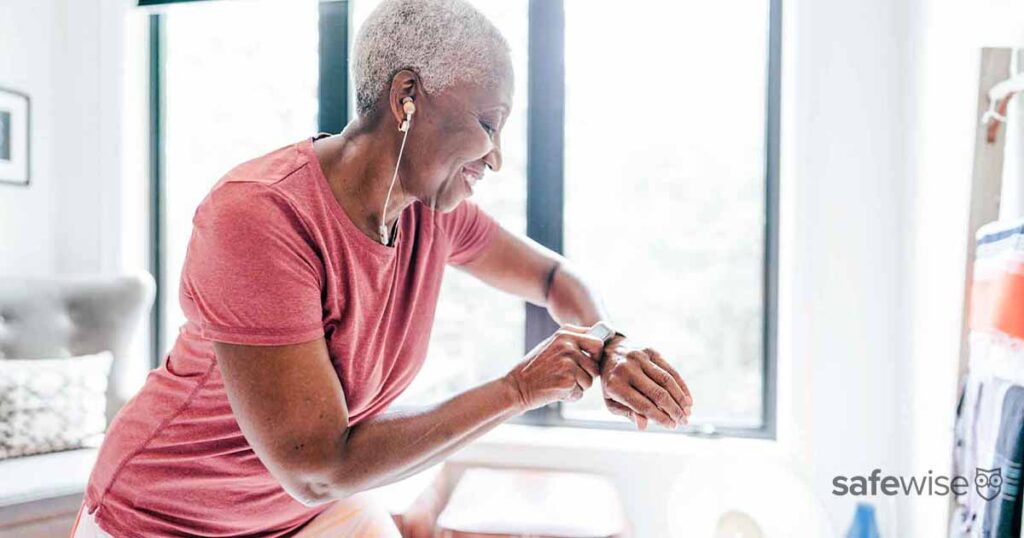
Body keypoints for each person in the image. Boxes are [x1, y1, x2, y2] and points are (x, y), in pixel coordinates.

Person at [77, 0, 693, 535]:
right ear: (406, 97)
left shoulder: (434, 213)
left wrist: (609, 345)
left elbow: (553, 278)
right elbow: (318, 467)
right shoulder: (259, 215)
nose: (496, 158)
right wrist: (518, 388)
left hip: (299, 515)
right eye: (487, 124)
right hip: (166, 518)